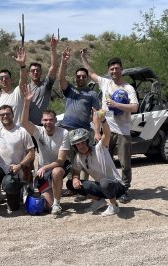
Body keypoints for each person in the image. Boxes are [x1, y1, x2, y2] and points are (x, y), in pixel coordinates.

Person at [81, 48, 138, 203]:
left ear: (121, 69)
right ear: (109, 71)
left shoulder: (128, 88)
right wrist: (84, 58)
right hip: (107, 131)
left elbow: (134, 107)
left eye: (117, 68)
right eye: (111, 69)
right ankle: (109, 188)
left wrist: (116, 104)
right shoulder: (105, 83)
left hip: (123, 131)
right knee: (105, 162)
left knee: (125, 163)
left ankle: (124, 189)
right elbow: (91, 73)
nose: (114, 71)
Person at [20, 85, 70, 216]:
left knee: (57, 171)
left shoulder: (63, 133)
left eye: (51, 120)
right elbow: (24, 122)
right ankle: (52, 198)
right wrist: (26, 102)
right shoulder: (38, 131)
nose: (48, 122)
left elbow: (60, 161)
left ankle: (57, 204)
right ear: (42, 121)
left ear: (55, 120)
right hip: (44, 172)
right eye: (45, 120)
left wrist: (45, 167)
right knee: (47, 206)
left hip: (56, 168)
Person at [58, 46, 101, 200]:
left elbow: (97, 113)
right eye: (78, 76)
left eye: (84, 76)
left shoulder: (92, 94)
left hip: (83, 131)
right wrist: (64, 62)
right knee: (70, 160)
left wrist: (97, 131)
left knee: (84, 159)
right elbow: (61, 79)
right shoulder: (70, 90)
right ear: (75, 78)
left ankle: (83, 189)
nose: (81, 78)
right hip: (67, 129)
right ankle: (73, 187)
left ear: (87, 78)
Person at [66, 112, 127, 216]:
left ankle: (114, 206)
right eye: (77, 144)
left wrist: (103, 120)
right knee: (70, 183)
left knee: (104, 182)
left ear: (87, 141)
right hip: (101, 186)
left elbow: (107, 133)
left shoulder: (100, 148)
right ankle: (99, 201)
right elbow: (76, 171)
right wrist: (75, 178)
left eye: (82, 142)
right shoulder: (79, 157)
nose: (80, 146)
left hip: (116, 186)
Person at [0, 105, 35, 220]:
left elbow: (31, 153)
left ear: (13, 115)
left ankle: (16, 193)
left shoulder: (22, 131)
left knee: (14, 208)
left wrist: (19, 166)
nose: (5, 116)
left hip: (14, 170)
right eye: (2, 114)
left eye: (8, 114)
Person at [0, 47, 28, 125]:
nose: (4, 80)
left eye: (6, 78)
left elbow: (23, 78)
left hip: (16, 133)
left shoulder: (17, 92)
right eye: (1, 78)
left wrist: (22, 65)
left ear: (11, 80)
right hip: (1, 135)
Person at [27, 34, 59, 125]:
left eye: (38, 70)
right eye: (33, 70)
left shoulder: (45, 85)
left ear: (41, 72)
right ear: (29, 73)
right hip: (27, 127)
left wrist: (53, 48)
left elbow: (54, 66)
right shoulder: (24, 89)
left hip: (43, 127)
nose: (35, 72)